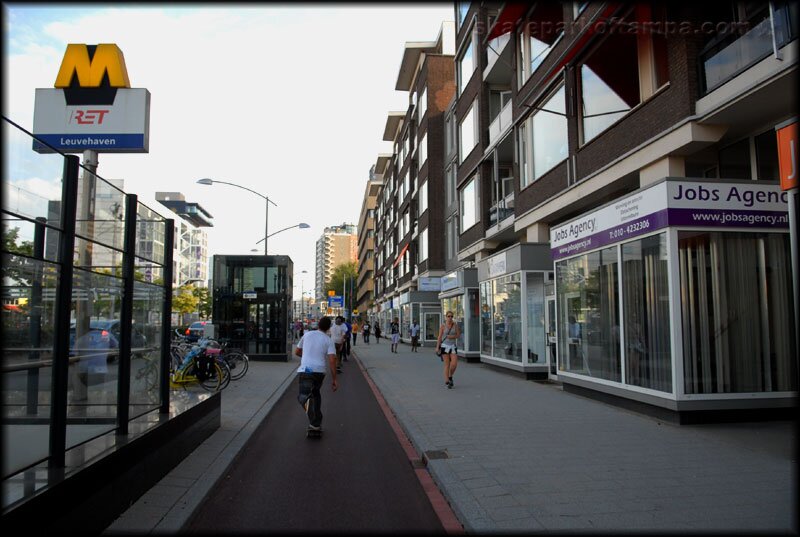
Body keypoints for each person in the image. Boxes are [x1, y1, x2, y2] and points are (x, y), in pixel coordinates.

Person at [294, 316, 337, 432]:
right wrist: (334, 380)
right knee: (315, 394)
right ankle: (316, 422)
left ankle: (315, 421)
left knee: (303, 396)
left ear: (318, 325)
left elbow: (297, 352)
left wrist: (308, 357)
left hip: (306, 370)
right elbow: (332, 360)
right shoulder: (328, 340)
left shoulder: (307, 335)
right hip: (320, 372)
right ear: (328, 328)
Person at [436, 311, 461, 389]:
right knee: (447, 365)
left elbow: (458, 335)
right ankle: (447, 381)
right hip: (445, 346)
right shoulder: (443, 326)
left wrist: (452, 337)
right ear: (446, 317)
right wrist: (437, 347)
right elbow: (439, 337)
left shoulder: (455, 325)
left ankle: (450, 375)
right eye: (448, 316)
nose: (450, 318)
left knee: (454, 364)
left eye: (451, 316)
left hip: (452, 346)